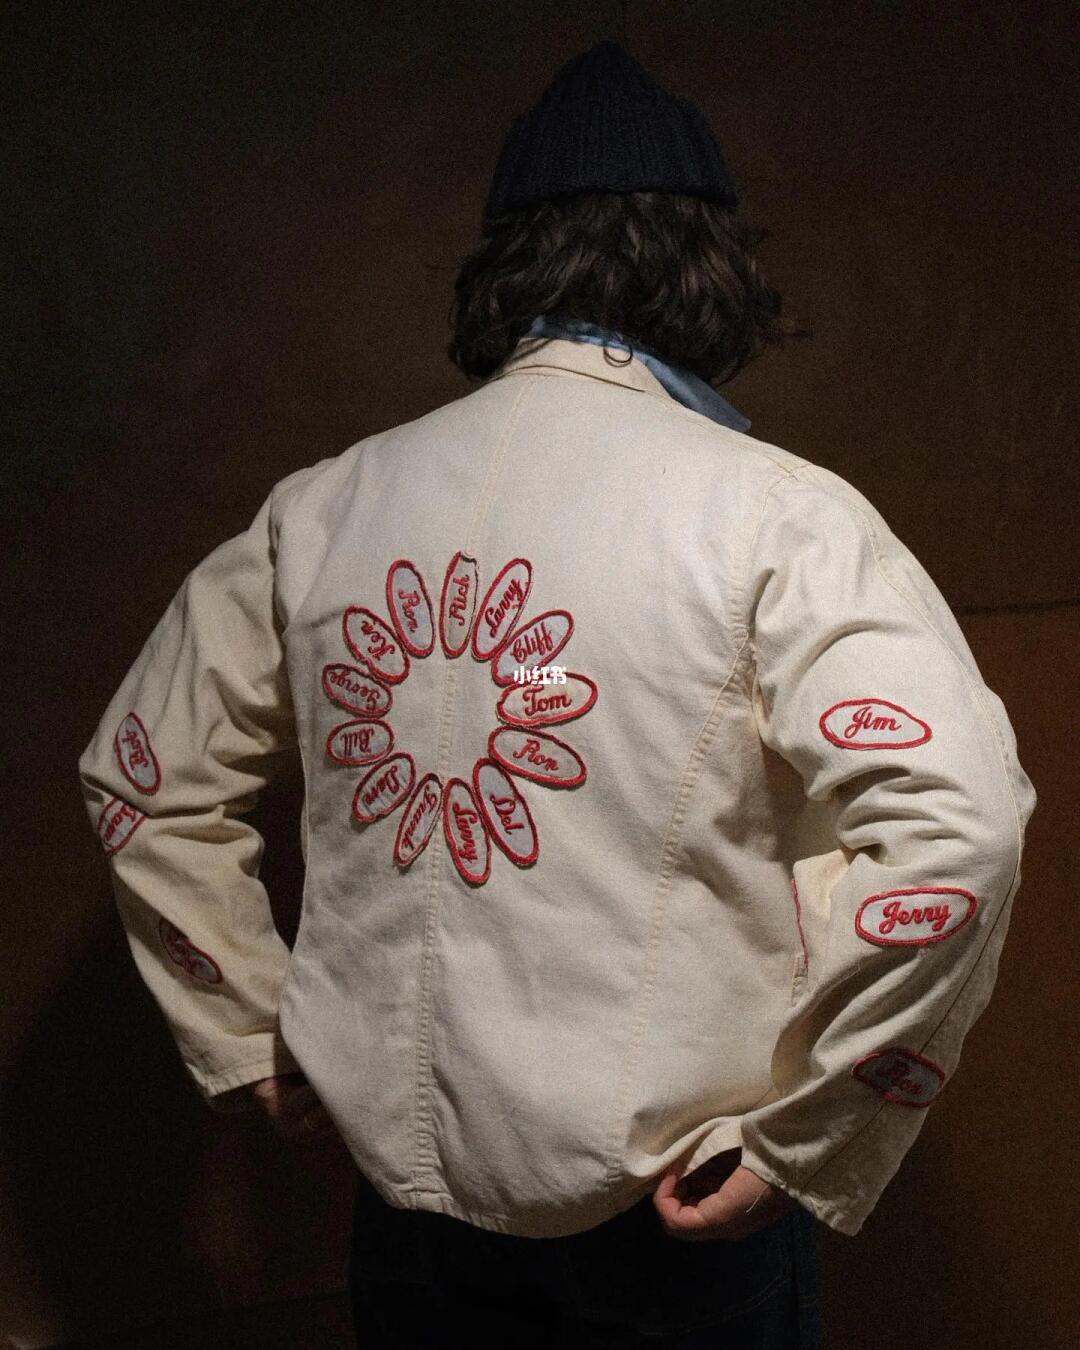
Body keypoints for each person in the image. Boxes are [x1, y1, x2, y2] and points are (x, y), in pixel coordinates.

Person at [78, 40, 1036, 1349]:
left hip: (403, 1214)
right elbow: (961, 825)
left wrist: (246, 1029)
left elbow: (141, 776)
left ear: (507, 266)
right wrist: (810, 1142)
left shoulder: (325, 506)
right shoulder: (778, 516)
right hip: (672, 1213)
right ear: (709, 266)